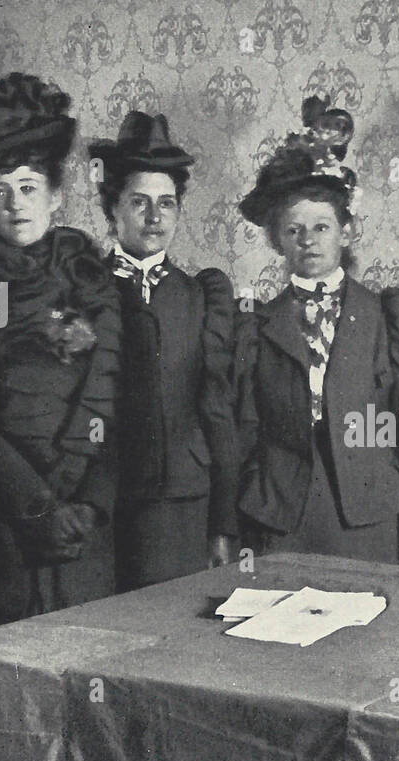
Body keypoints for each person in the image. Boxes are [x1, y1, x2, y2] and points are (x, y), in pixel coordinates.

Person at [0, 73, 121, 624]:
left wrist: (88, 501)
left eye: (28, 188)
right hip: (6, 510)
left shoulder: (92, 279)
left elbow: (118, 399)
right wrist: (36, 506)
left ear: (56, 195)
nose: (15, 206)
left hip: (86, 514)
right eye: (0, 192)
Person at [235, 97, 399, 562]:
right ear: (278, 240)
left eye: (321, 227)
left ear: (346, 232)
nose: (308, 241)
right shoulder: (258, 323)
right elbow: (248, 424)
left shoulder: (384, 315)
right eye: (294, 230)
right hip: (285, 509)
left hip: (364, 506)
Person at [88, 112, 240, 590]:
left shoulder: (201, 296)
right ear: (112, 208)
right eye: (139, 202)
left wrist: (223, 522)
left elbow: (217, 413)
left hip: (182, 504)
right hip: (102, 503)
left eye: (167, 204)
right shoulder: (85, 289)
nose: (154, 218)